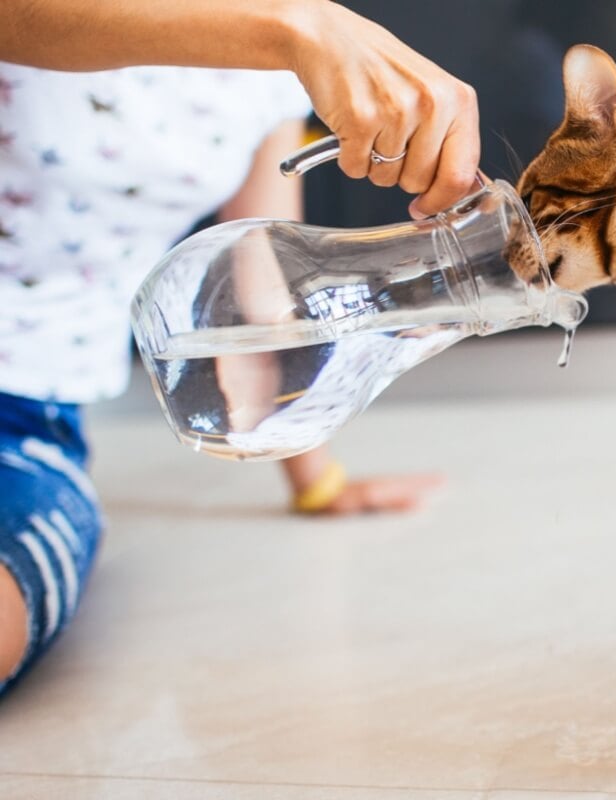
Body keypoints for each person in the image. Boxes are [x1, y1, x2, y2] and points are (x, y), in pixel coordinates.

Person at [0, 0, 481, 695]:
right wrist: (297, 26)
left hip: (21, 424)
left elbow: (266, 291)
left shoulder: (268, 73)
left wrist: (316, 479)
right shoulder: (289, 29)